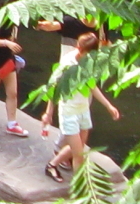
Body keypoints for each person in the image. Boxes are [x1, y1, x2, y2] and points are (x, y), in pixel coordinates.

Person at [40, 31, 120, 181]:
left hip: (83, 110)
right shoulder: (67, 64)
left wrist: (108, 106)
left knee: (79, 147)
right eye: (82, 50)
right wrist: (48, 113)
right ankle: (80, 191)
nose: (82, 54)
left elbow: (91, 86)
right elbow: (54, 88)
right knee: (79, 156)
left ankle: (52, 165)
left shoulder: (88, 63)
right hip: (69, 111)